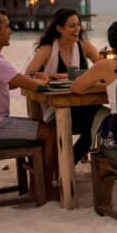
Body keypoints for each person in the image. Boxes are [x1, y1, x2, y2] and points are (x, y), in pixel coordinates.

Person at [0, 9, 56, 192]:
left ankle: (36, 183)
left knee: (40, 125)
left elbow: (11, 83)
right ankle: (45, 189)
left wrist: (34, 80)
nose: (11, 31)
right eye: (7, 27)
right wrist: (43, 81)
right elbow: (35, 87)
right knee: (49, 133)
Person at [25, 8, 101, 164]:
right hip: (56, 110)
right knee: (96, 120)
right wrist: (43, 77)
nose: (77, 29)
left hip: (82, 105)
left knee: (102, 119)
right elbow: (28, 76)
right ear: (59, 28)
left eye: (78, 25)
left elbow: (102, 69)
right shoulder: (47, 49)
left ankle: (68, 162)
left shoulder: (83, 46)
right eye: (72, 26)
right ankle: (65, 165)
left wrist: (62, 76)